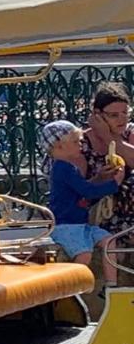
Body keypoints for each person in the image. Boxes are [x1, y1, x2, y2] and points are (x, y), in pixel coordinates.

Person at [41, 119, 121, 291]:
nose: (81, 146)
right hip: (67, 226)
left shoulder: (69, 167)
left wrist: (100, 177)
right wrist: (115, 184)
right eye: (75, 142)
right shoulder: (62, 168)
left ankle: (111, 286)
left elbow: (82, 190)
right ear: (59, 146)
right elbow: (87, 191)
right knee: (84, 254)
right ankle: (73, 290)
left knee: (108, 240)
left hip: (80, 224)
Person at [82, 82, 134, 234]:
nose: (122, 119)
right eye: (114, 115)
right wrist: (99, 179)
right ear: (97, 114)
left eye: (125, 113)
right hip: (97, 208)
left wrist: (108, 137)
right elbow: (74, 187)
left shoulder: (129, 133)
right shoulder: (82, 142)